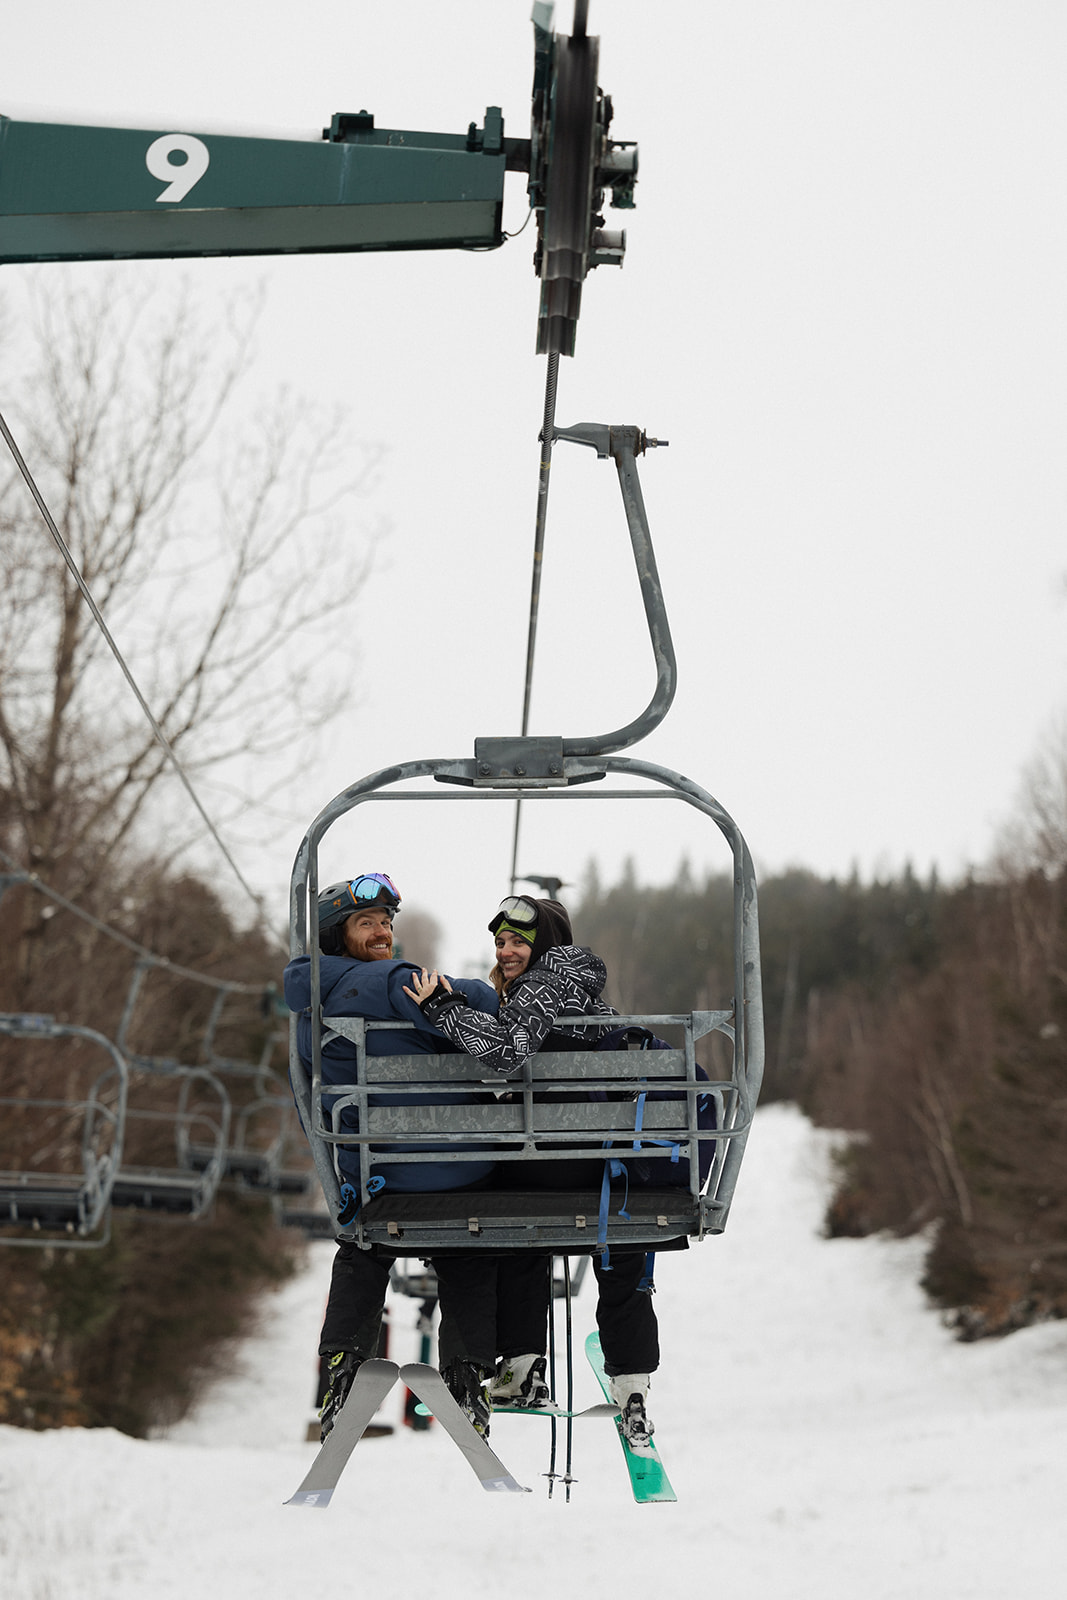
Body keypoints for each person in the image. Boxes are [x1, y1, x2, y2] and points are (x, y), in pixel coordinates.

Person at [284, 873, 550, 1440]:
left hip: (377, 1174)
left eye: (385, 923)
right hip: (453, 1168)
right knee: (469, 1244)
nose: (382, 933)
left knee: (363, 1247)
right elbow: (478, 1004)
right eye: (367, 923)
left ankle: (341, 1371)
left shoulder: (307, 1007)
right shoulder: (394, 980)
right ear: (337, 936)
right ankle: (466, 1375)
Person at [404, 893, 660, 1451]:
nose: (507, 950)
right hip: (602, 1167)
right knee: (622, 1246)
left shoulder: (543, 983)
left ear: (546, 943)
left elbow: (507, 1053)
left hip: (550, 1165)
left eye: (519, 940)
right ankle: (633, 1384)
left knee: (514, 1220)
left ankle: (522, 1365)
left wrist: (441, 1010)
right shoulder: (578, 984)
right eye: (500, 942)